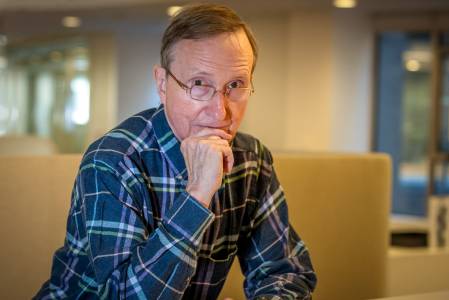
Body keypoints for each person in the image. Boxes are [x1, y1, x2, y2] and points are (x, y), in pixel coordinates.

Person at [35, 3, 316, 299]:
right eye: (198, 84)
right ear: (162, 84)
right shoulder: (113, 160)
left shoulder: (252, 160)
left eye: (235, 85)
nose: (220, 112)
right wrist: (197, 195)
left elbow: (285, 272)